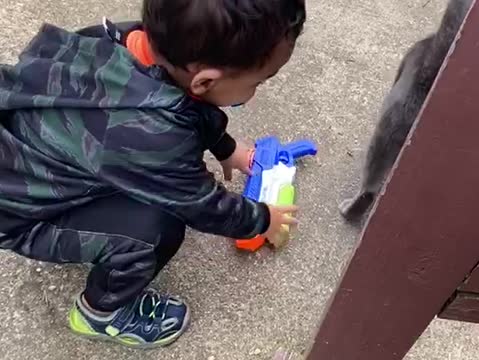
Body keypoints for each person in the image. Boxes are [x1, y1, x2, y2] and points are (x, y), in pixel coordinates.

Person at [0, 0, 306, 349]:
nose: (254, 93)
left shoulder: (130, 42)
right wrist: (262, 219)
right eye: (259, 82)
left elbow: (188, 106)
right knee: (155, 228)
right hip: (22, 215)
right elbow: (202, 205)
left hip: (36, 160)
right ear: (205, 80)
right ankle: (101, 313)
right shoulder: (151, 136)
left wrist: (227, 149)